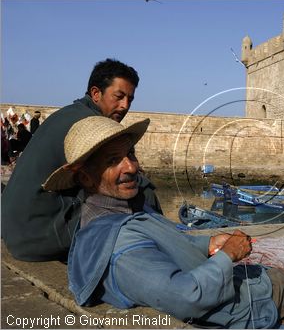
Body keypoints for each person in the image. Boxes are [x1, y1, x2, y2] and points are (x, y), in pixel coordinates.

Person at [42, 116, 284, 328]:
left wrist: (206, 243)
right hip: (231, 308)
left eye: (130, 154)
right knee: (274, 283)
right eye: (112, 160)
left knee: (263, 273)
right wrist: (229, 255)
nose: (131, 167)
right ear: (84, 177)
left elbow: (162, 244)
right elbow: (187, 297)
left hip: (210, 278)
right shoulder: (121, 243)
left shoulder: (122, 211)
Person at [1, 58, 163, 262]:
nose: (125, 106)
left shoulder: (67, 113)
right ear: (96, 93)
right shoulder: (89, 126)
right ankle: (162, 255)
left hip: (16, 230)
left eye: (130, 99)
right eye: (119, 97)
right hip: (37, 235)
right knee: (141, 192)